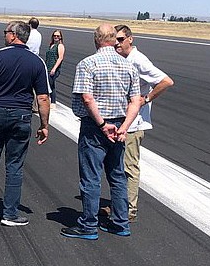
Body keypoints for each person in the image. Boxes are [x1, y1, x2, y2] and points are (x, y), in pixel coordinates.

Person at [60, 23, 142, 239]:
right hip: (119, 126)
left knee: (91, 177)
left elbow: (87, 98)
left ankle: (88, 224)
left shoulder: (88, 64)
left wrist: (101, 124)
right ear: (114, 40)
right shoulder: (129, 66)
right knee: (117, 176)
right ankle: (120, 222)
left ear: (96, 40)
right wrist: (124, 128)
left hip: (96, 127)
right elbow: (136, 101)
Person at [0, 21, 51, 224]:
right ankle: (10, 214)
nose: (4, 35)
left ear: (14, 35)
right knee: (14, 166)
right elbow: (43, 98)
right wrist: (44, 125)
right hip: (21, 116)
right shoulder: (36, 62)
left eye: (6, 32)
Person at [114, 24, 174, 222]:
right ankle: (120, 205)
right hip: (123, 122)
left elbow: (166, 81)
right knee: (119, 166)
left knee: (129, 166)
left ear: (130, 39)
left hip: (134, 124)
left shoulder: (138, 60)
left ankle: (129, 210)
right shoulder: (121, 58)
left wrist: (146, 98)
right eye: (114, 39)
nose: (117, 43)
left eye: (121, 39)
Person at [45, 29, 66, 102]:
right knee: (50, 85)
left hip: (53, 69)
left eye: (58, 36)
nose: (56, 37)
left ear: (60, 37)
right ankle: (52, 101)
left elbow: (60, 58)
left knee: (49, 85)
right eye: (54, 36)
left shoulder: (60, 46)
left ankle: (50, 101)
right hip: (47, 67)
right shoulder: (51, 45)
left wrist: (54, 69)